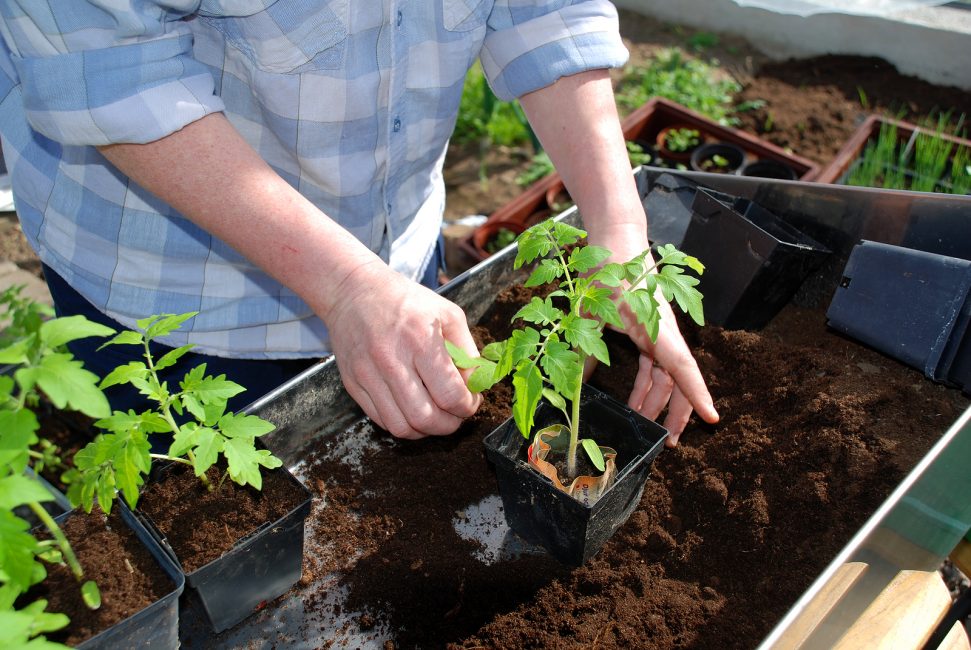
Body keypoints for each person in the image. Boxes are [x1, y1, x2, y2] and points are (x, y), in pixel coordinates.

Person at [0, 1, 718, 446]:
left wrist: (616, 233)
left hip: (394, 256)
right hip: (174, 295)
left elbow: (545, 9)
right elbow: (115, 71)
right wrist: (344, 287)